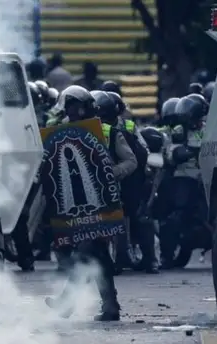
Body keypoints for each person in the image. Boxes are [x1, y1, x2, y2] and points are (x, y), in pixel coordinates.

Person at [45, 85, 137, 321]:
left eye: (76, 106)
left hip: (103, 201)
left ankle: (67, 303)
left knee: (85, 251)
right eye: (69, 106)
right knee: (99, 255)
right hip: (76, 203)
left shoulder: (107, 131)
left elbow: (131, 161)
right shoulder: (61, 131)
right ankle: (110, 306)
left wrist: (111, 173)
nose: (72, 111)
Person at [91, 90, 158, 274]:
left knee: (140, 215)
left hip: (127, 178)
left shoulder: (127, 127)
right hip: (92, 180)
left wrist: (114, 173)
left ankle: (151, 259)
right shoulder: (83, 128)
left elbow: (141, 152)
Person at [158, 94, 208, 268]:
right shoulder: (178, 131)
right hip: (185, 177)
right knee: (173, 218)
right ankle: (166, 255)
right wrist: (187, 152)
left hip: (208, 176)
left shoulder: (211, 129)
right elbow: (171, 154)